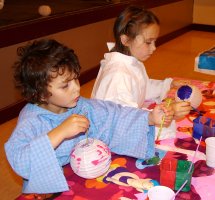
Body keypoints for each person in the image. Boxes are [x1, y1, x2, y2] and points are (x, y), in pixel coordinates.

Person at [4, 39, 174, 194]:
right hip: (48, 191)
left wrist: (149, 118)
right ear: (40, 94)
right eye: (65, 86)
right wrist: (60, 132)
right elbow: (20, 159)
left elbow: (114, 116)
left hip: (84, 181)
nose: (76, 88)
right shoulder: (31, 120)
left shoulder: (81, 106)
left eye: (75, 79)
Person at [91, 6, 191, 139]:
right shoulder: (118, 75)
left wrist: (169, 84)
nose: (154, 48)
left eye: (155, 41)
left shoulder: (132, 62)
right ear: (126, 40)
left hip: (126, 120)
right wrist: (168, 113)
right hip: (112, 133)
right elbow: (124, 121)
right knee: (172, 133)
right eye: (148, 42)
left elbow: (143, 86)